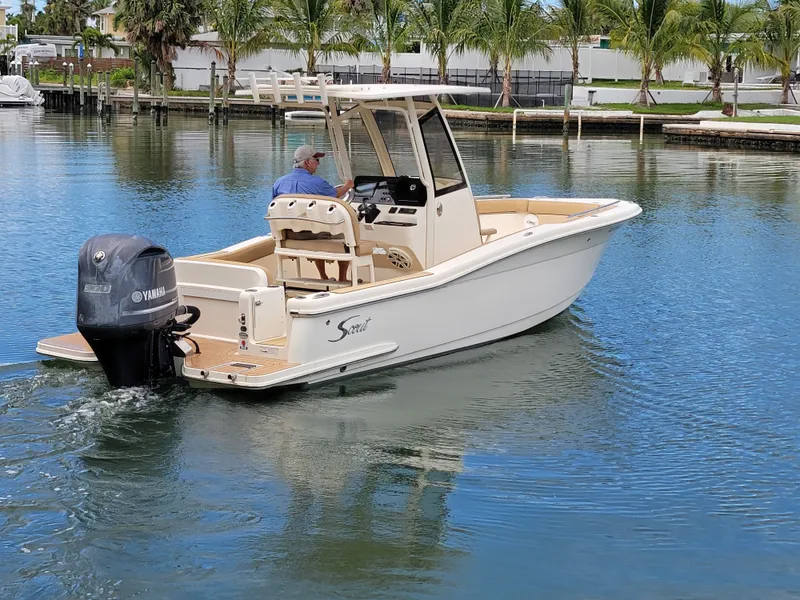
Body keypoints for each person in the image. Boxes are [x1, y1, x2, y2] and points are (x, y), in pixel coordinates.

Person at [272, 145, 355, 282]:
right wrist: (347, 186)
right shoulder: (317, 183)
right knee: (344, 232)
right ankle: (342, 278)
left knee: (316, 227)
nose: (318, 163)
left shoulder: (278, 183)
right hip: (311, 235)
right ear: (306, 162)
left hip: (288, 235)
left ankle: (323, 277)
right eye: (316, 160)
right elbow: (336, 194)